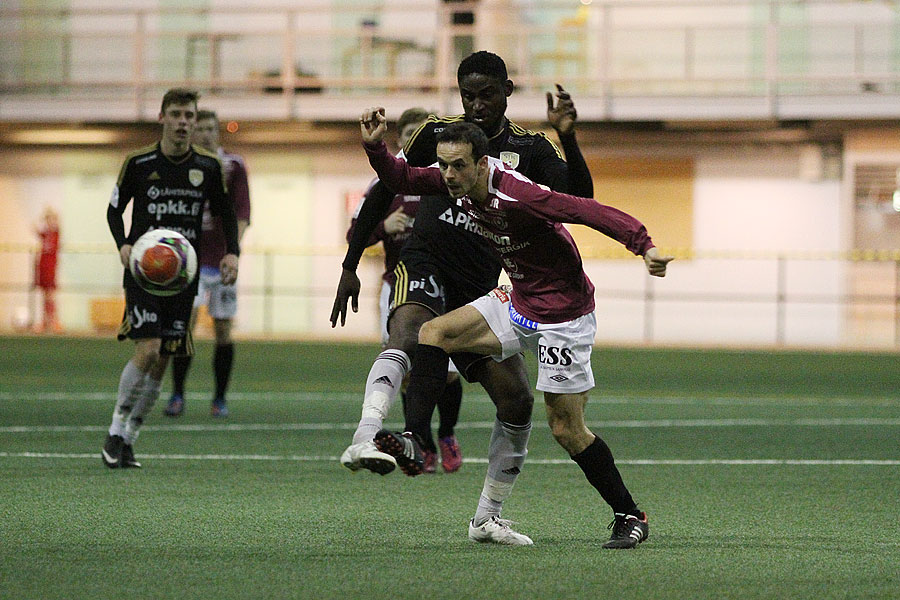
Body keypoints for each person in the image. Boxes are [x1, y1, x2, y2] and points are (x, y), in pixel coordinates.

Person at [359, 108, 673, 549]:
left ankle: (628, 514)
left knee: (566, 430)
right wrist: (376, 146)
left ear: (482, 163)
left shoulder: (518, 194)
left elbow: (586, 209)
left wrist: (644, 246)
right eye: (443, 164)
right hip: (518, 299)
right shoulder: (453, 178)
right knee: (434, 334)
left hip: (565, 316)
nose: (447, 175)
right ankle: (415, 439)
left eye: (458, 166)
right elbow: (404, 178)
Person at [333, 51, 592, 544]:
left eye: (486, 94)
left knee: (517, 400)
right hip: (427, 261)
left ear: (507, 91)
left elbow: (579, 201)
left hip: (480, 285)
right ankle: (370, 436)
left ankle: (486, 518)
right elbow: (385, 190)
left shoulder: (532, 148)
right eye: (467, 95)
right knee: (408, 333)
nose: (476, 105)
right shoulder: (436, 134)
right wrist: (350, 265)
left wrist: (569, 137)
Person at [102, 88, 240, 469]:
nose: (183, 122)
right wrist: (124, 245)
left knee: (164, 359)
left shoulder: (209, 167)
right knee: (147, 351)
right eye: (176, 114)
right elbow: (115, 212)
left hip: (184, 277)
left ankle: (130, 437)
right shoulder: (139, 162)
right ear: (162, 117)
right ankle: (114, 432)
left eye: (189, 116)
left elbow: (227, 214)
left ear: (195, 122)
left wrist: (233, 252)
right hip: (143, 274)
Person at [343, 107, 465, 474]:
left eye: (424, 131)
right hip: (400, 282)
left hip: (451, 282)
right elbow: (355, 234)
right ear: (400, 140)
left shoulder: (451, 175)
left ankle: (446, 434)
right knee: (408, 362)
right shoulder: (389, 181)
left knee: (449, 371)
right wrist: (383, 226)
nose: (418, 138)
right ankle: (422, 441)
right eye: (411, 132)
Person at [164, 109, 251, 418]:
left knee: (223, 330)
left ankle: (219, 398)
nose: (205, 134)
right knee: (184, 326)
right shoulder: (181, 166)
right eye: (199, 128)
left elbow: (242, 215)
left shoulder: (233, 166)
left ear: (218, 132)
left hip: (222, 261)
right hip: (188, 263)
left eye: (210, 128)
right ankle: (177, 394)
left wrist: (234, 252)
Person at [33, 207, 61, 333]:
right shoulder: (44, 234)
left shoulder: (56, 233)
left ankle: (54, 320)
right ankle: (44, 321)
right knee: (44, 296)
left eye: (51, 219)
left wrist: (52, 214)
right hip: (43, 266)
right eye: (48, 219)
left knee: (51, 295)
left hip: (51, 267)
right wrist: (44, 215)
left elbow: (58, 224)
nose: (50, 222)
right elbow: (34, 227)